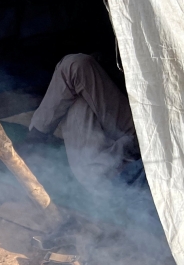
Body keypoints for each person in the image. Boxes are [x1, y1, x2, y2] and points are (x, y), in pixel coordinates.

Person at [27, 53, 141, 189]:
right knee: (74, 94)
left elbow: (77, 67)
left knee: (74, 68)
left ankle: (34, 140)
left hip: (140, 137)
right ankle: (35, 140)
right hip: (117, 161)